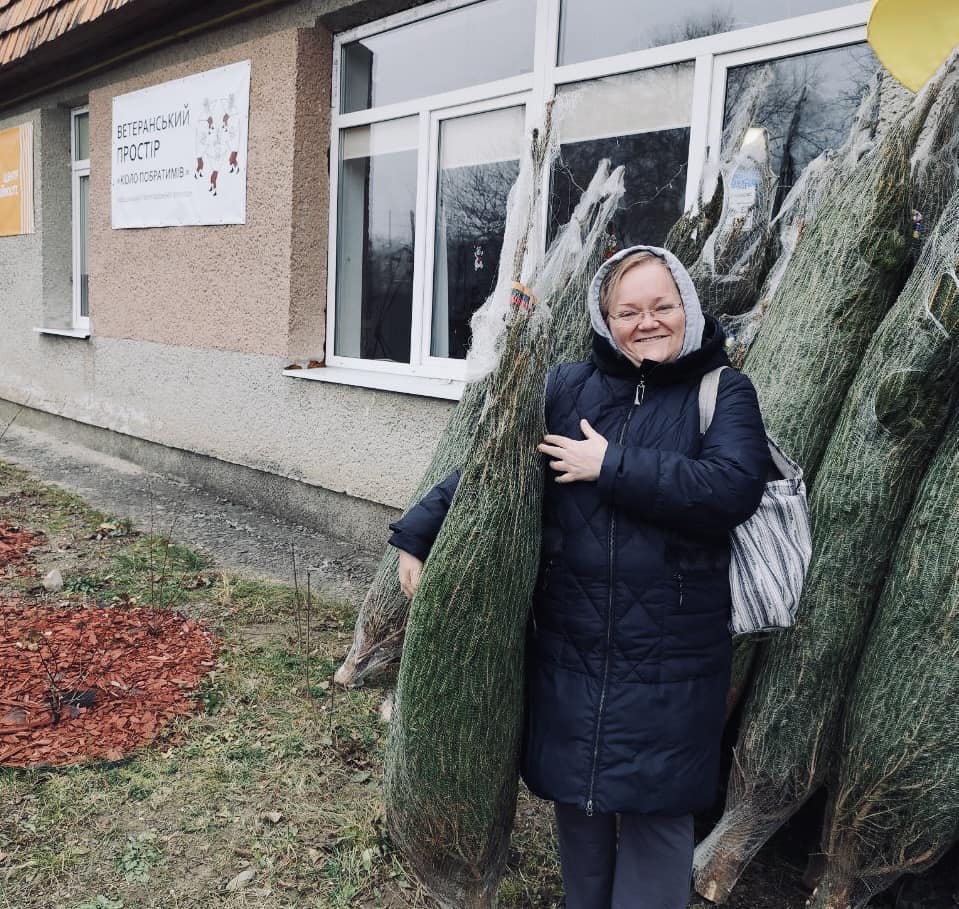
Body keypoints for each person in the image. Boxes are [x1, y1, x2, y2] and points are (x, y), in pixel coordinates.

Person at [387, 245, 770, 909]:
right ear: (604, 317)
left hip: (670, 652)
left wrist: (610, 464)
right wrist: (418, 530)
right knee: (580, 801)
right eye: (628, 310)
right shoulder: (566, 387)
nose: (645, 321)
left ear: (688, 307)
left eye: (661, 306)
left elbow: (732, 488)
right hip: (574, 640)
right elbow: (492, 466)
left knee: (656, 812)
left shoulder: (722, 391)